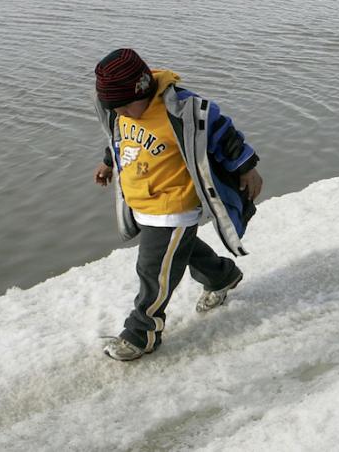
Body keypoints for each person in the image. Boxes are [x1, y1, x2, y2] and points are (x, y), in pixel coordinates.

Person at [92, 48, 263, 361]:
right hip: (142, 201)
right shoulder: (123, 111)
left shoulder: (182, 109)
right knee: (180, 249)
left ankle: (142, 333)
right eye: (116, 108)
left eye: (127, 105)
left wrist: (246, 167)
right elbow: (119, 138)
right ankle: (221, 276)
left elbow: (223, 134)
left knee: (153, 271)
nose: (124, 113)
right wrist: (108, 162)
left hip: (174, 205)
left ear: (143, 88)